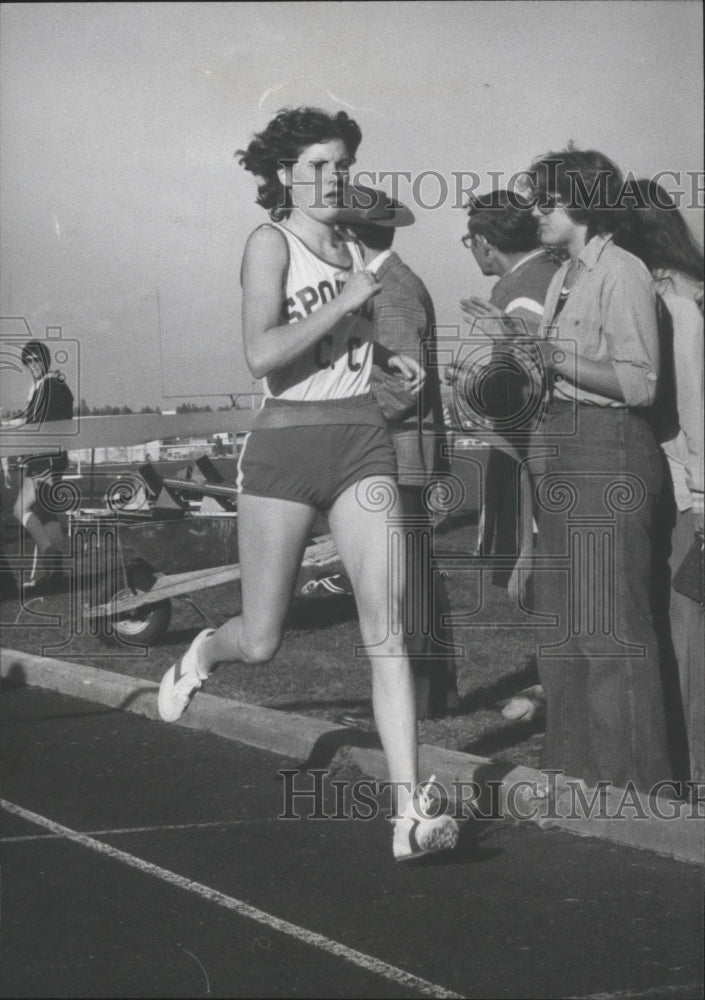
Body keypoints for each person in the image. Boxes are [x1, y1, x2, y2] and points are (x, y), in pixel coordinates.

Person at [156, 107, 458, 861]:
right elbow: (261, 356)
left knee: (385, 628)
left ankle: (405, 815)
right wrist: (345, 303)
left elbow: (342, 350)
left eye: (343, 166)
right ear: (285, 175)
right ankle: (201, 653)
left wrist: (390, 364)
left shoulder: (355, 246)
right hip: (286, 447)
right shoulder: (270, 243)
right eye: (318, 166)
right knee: (261, 641)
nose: (333, 179)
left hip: (362, 441)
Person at [527, 149, 672, 793]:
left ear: (582, 205)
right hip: (565, 444)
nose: (535, 212)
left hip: (608, 451)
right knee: (566, 626)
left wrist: (552, 359)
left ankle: (634, 787)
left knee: (610, 626)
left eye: (546, 201)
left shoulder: (624, 273)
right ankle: (578, 773)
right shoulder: (566, 277)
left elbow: (640, 384)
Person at [337, 186, 460, 720]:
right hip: (400, 455)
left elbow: (400, 386)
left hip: (397, 456)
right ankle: (431, 697)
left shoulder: (392, 291)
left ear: (350, 234)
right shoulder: (389, 283)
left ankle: (415, 699)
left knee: (401, 585)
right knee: (412, 582)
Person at [622, 179, 704, 786]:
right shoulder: (686, 291)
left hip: (691, 491)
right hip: (686, 485)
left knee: (687, 642)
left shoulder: (674, 302)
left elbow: (693, 408)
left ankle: (693, 774)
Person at [451, 191, 559, 602]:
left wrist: (473, 385)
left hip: (533, 451)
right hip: (544, 447)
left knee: (539, 588)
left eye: (470, 241)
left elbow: (530, 384)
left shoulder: (520, 291)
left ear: (484, 242)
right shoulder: (551, 272)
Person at [5, 340, 74, 591]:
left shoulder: (52, 386)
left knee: (19, 509)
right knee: (46, 513)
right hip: (48, 458)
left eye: (36, 360)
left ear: (46, 361)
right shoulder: (46, 386)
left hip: (45, 460)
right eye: (29, 361)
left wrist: (15, 425)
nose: (33, 365)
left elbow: (38, 420)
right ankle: (56, 574)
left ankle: (48, 551)